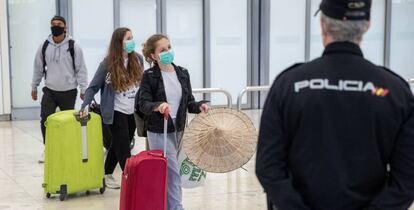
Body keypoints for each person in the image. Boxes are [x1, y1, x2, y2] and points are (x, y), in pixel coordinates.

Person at [256, 0, 414, 209]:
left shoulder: (289, 85)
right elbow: (408, 178)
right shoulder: (395, 91)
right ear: (367, 25)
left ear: (322, 25)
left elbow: (268, 167)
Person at [138, 34, 209, 210]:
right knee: (172, 171)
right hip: (158, 130)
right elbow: (143, 103)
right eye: (163, 50)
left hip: (179, 129)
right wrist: (158, 106)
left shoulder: (183, 73)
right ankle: (176, 207)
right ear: (153, 56)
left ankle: (166, 205)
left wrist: (200, 106)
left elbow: (189, 102)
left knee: (171, 171)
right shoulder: (149, 76)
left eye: (169, 47)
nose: (168, 51)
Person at [80, 27, 144, 189]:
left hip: (132, 112)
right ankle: (132, 180)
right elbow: (93, 87)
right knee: (124, 150)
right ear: (119, 42)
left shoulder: (138, 59)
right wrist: (85, 104)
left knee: (118, 144)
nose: (131, 42)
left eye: (132, 38)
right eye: (127, 38)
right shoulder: (107, 64)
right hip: (115, 112)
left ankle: (106, 173)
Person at [31, 15, 88, 163]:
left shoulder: (73, 46)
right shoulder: (45, 45)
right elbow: (38, 67)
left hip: (69, 91)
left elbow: (81, 69)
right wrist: (34, 86)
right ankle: (48, 148)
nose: (56, 26)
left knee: (67, 122)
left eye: (59, 24)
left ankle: (65, 148)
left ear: (65, 27)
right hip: (50, 90)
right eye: (53, 24)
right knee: (46, 119)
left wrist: (83, 89)